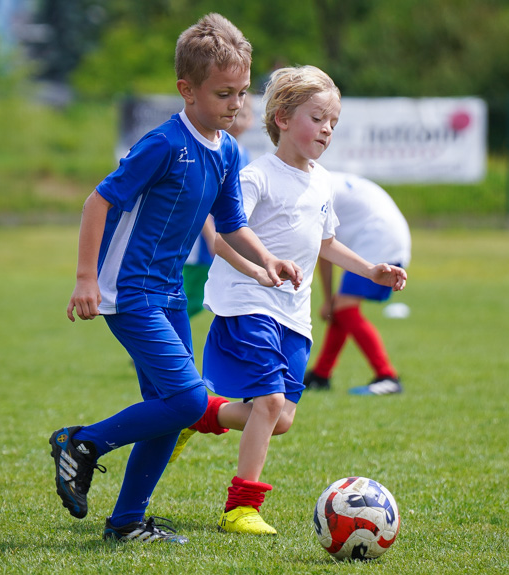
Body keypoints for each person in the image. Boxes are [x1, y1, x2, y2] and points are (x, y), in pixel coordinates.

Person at [48, 13, 301, 545]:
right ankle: (82, 444)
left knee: (167, 412)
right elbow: (98, 201)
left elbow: (231, 224)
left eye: (241, 92)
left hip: (166, 294)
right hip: (129, 291)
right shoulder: (164, 144)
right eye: (222, 93)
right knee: (188, 402)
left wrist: (264, 264)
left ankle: (125, 522)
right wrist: (84, 278)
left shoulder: (228, 151)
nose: (235, 104)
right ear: (187, 91)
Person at [169, 65, 407, 536]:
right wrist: (262, 267)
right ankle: (241, 507)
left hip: (292, 315)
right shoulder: (257, 176)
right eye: (318, 118)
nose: (327, 130)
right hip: (247, 303)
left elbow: (326, 243)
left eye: (333, 122)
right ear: (281, 117)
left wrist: (370, 269)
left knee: (282, 419)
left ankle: (198, 413)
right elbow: (223, 238)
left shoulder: (321, 181)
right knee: (270, 402)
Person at [303, 172, 411, 395]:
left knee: (343, 308)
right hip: (386, 234)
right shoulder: (326, 179)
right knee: (343, 309)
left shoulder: (314, 189)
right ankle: (321, 375)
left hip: (377, 239)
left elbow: (323, 249)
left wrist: (327, 299)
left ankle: (387, 375)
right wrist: (331, 301)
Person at [183, 94, 254, 318]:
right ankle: (149, 351)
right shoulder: (212, 150)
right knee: (187, 301)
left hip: (227, 240)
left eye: (244, 114)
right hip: (202, 242)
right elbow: (202, 199)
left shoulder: (243, 154)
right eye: (236, 114)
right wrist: (211, 236)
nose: (239, 120)